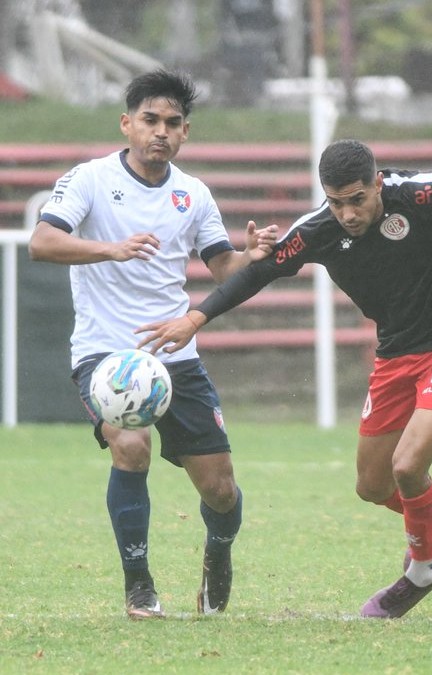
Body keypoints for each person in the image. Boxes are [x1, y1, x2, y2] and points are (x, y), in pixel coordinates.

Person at [135, 139, 432, 619]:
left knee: (406, 467)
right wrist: (196, 318)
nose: (347, 213)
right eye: (336, 202)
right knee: (373, 485)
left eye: (357, 199)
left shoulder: (415, 194)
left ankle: (421, 571)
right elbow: (257, 274)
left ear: (377, 184)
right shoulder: (318, 229)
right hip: (397, 353)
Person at [28, 69, 278, 619]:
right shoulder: (89, 179)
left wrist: (251, 256)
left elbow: (223, 269)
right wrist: (110, 249)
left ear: (185, 132)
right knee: (131, 447)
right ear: (127, 123)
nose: (159, 131)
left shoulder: (194, 194)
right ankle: (139, 583)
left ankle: (218, 551)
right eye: (149, 120)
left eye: (171, 123)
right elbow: (43, 243)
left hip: (175, 357)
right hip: (106, 357)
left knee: (221, 491)